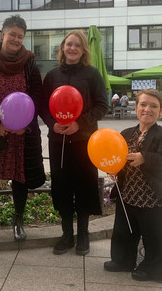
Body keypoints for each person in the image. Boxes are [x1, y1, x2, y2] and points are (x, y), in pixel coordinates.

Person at [0, 14, 46, 243]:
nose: (16, 39)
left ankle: (18, 221)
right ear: (2, 34)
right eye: (12, 34)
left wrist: (23, 123)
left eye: (20, 36)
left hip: (22, 133)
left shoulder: (29, 62)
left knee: (20, 177)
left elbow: (37, 93)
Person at [41, 30, 108, 256]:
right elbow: (42, 106)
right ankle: (67, 235)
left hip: (84, 141)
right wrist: (52, 123)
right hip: (58, 141)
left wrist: (80, 123)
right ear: (62, 47)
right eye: (68, 44)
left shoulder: (92, 74)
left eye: (77, 45)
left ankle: (84, 235)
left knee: (84, 187)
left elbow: (102, 105)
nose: (72, 48)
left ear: (83, 50)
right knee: (61, 188)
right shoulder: (51, 75)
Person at [103, 89, 162, 282]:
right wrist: (113, 169)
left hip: (154, 199)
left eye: (154, 106)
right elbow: (117, 158)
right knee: (124, 232)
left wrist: (145, 157)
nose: (147, 109)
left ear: (160, 111)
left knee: (154, 238)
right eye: (143, 104)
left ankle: (152, 269)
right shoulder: (127, 133)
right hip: (128, 195)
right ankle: (122, 261)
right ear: (136, 108)